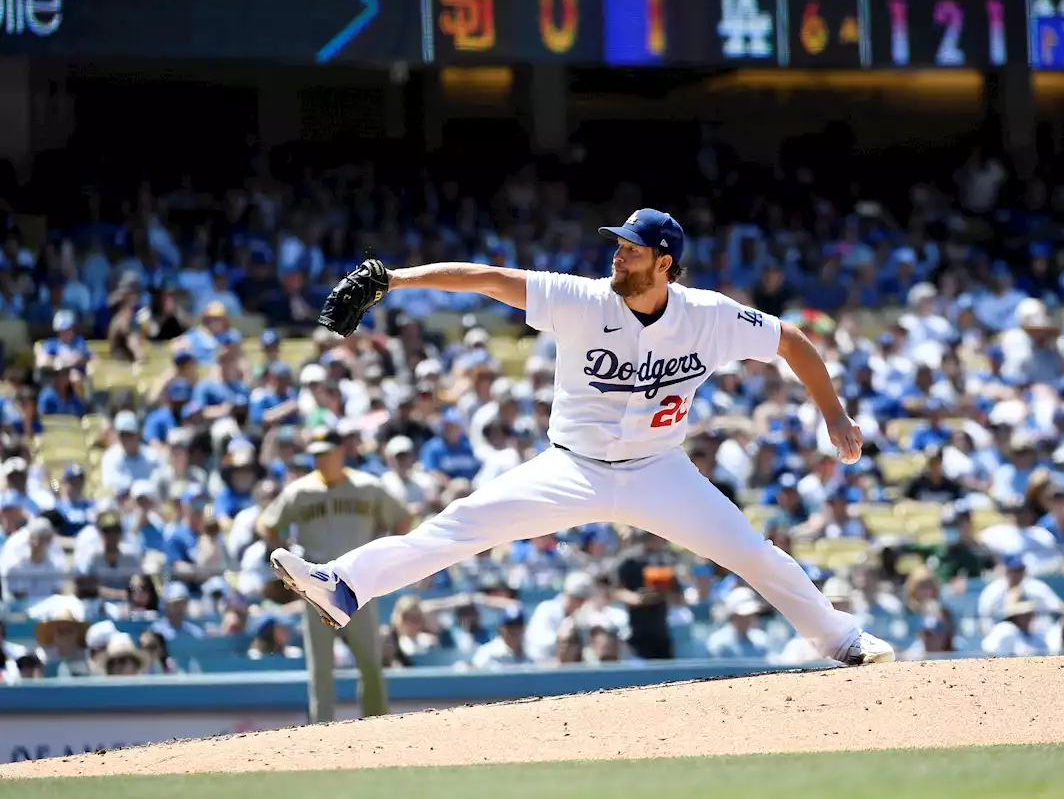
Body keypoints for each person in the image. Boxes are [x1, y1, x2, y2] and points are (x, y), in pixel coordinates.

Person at [270, 210, 893, 666]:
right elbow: (488, 279)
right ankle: (345, 584)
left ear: (664, 263)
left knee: (751, 552)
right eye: (617, 246)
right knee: (460, 525)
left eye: (631, 250)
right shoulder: (580, 298)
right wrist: (395, 281)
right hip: (572, 468)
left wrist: (833, 415)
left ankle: (840, 639)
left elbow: (791, 340)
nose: (617, 256)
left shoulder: (708, 315)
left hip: (659, 470)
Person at [257, 425, 412, 723]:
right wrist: (283, 555)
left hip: (359, 582)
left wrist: (385, 554)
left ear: (341, 452)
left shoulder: (368, 486)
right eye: (315, 455)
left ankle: (377, 724)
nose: (320, 460)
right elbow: (267, 524)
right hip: (313, 584)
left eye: (325, 453)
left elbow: (402, 518)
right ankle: (321, 731)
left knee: (370, 662)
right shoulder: (299, 491)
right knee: (320, 669)